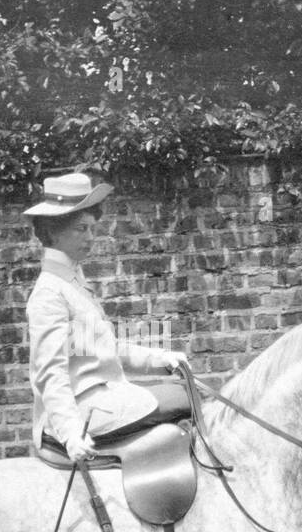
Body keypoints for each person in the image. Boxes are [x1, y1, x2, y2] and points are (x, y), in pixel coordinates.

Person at [24, 173, 191, 463]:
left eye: (92, 228)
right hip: (82, 410)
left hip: (104, 399)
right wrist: (71, 434)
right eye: (81, 229)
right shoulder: (49, 293)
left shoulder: (73, 282)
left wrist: (160, 359)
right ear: (53, 232)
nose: (91, 237)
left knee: (185, 388)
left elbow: (104, 349)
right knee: (186, 399)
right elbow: (50, 373)